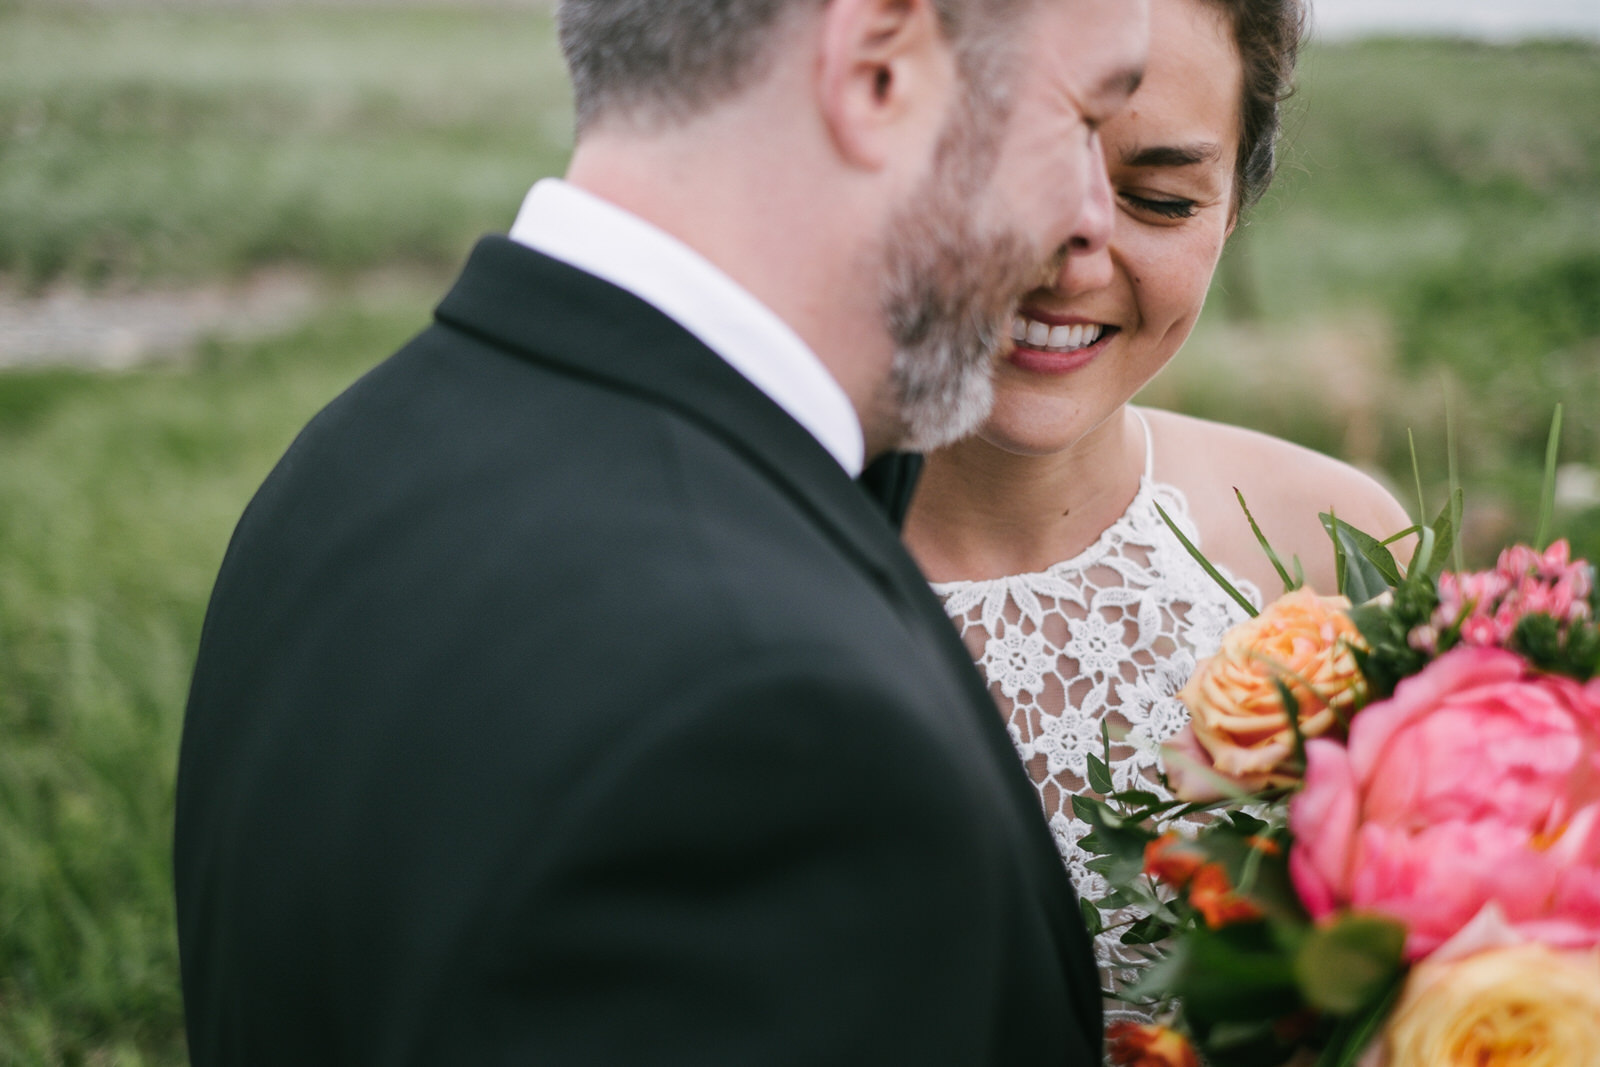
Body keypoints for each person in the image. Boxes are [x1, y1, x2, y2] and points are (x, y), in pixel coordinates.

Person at [173, 0, 1149, 1062]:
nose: (1092, 217)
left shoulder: (343, 463)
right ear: (877, 67)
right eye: (1085, 121)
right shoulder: (772, 729)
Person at [899, 0, 1413, 1014]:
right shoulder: (720, 547)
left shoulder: (1326, 552)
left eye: (1162, 199)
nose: (1071, 247)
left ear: (1232, 208)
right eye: (1012, 167)